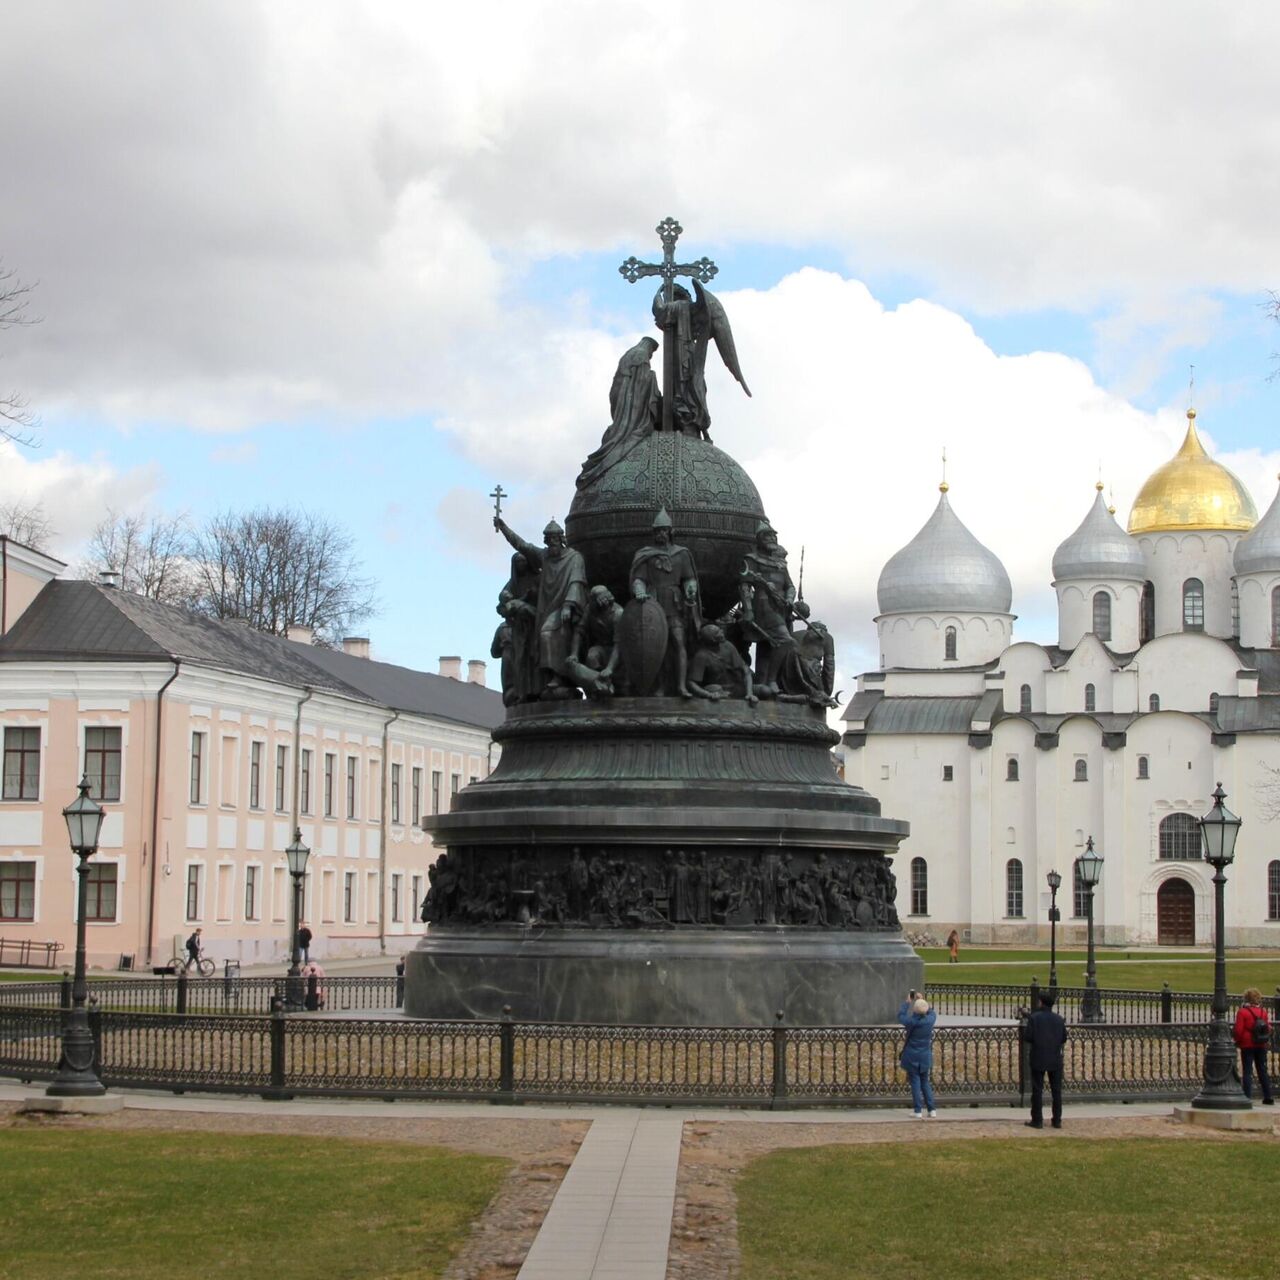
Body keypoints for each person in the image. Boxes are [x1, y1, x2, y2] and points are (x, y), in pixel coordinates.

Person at [495, 516, 588, 698]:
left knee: (547, 633)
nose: (552, 542)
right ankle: (547, 680)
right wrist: (504, 528)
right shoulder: (545, 557)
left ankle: (557, 676)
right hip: (547, 609)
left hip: (565, 607)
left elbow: (576, 582)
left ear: (561, 539)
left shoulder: (574, 558)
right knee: (542, 638)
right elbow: (523, 546)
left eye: (555, 539)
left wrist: (569, 605)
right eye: (549, 539)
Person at [1023, 991, 1069, 1128]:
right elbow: (1063, 1038)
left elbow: (1028, 1037)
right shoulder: (1059, 1019)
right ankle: (1057, 1120)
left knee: (1037, 1090)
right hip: (1055, 1058)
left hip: (1038, 1057)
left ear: (1041, 1002)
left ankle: (1037, 1120)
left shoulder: (1034, 1018)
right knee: (1056, 1091)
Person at [898, 991, 938, 1118]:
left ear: (915, 1011)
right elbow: (932, 1012)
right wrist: (923, 1000)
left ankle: (918, 1110)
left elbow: (900, 1016)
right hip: (925, 1055)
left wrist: (907, 1003)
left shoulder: (911, 1022)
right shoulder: (930, 1021)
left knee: (915, 1083)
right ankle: (932, 1110)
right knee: (925, 1082)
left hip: (912, 1056)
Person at [1233, 988, 1275, 1105]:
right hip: (1261, 1043)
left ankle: (1247, 1096)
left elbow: (1239, 1030)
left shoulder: (1242, 1012)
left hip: (1247, 1043)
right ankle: (1267, 1096)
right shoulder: (1263, 1012)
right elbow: (1268, 1027)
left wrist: (1236, 1041)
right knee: (1262, 1070)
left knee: (1247, 1071)